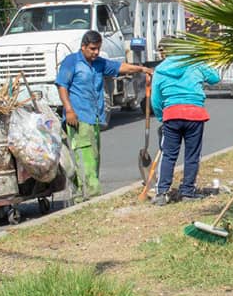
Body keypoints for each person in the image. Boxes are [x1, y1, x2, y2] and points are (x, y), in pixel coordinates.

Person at [56, 31, 153, 200]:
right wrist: (69, 110)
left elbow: (119, 67)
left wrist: (142, 69)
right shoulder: (71, 62)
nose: (95, 52)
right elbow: (62, 85)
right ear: (83, 47)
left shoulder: (98, 63)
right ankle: (91, 196)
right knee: (85, 156)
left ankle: (81, 195)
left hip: (94, 117)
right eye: (92, 49)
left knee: (94, 156)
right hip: (78, 118)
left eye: (98, 49)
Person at [150, 55, 220, 206]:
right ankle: (187, 191)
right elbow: (215, 78)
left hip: (171, 114)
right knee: (192, 155)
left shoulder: (161, 69)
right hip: (195, 113)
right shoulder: (195, 63)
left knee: (168, 155)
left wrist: (161, 117)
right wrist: (201, 59)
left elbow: (155, 99)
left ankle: (162, 192)